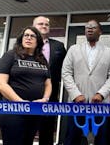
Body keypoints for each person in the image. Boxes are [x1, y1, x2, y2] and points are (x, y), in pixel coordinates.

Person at [61, 20, 110, 145]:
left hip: (101, 104)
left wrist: (101, 94)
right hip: (76, 103)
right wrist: (75, 94)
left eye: (93, 27)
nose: (89, 29)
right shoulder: (73, 49)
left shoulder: (109, 52)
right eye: (87, 27)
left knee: (101, 139)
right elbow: (66, 73)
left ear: (100, 32)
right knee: (72, 137)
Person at [0, 26, 51, 145]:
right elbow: (0, 84)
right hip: (13, 111)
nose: (29, 38)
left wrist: (45, 99)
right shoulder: (10, 55)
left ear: (38, 41)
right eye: (26, 35)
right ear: (21, 38)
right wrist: (20, 102)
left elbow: (48, 83)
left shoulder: (42, 59)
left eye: (32, 36)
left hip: (34, 111)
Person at [33, 16, 67, 145]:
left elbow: (66, 68)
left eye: (46, 24)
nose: (44, 26)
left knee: (46, 129)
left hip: (51, 93)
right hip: (29, 91)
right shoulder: (25, 44)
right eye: (40, 24)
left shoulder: (58, 46)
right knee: (26, 127)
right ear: (34, 26)